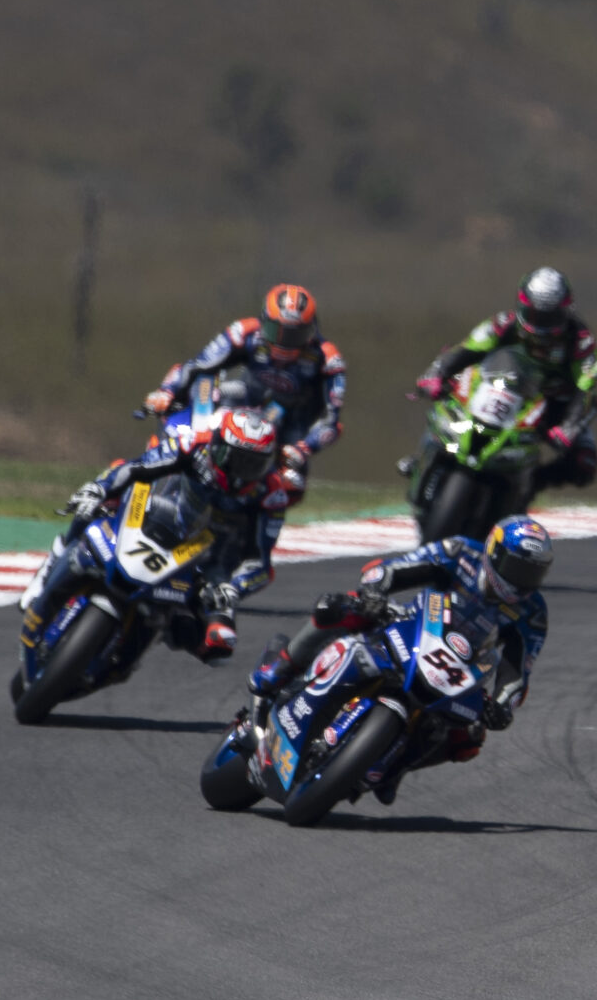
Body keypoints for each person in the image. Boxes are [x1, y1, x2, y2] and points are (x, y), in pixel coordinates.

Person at [245, 516, 554, 803]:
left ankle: (394, 767)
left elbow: (518, 672)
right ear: (494, 552)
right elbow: (397, 567)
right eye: (517, 568)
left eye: (533, 573)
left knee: (470, 739)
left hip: (456, 673)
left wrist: (501, 705)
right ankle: (280, 667)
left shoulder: (532, 613)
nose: (523, 581)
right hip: (408, 628)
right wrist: (375, 590)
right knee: (339, 606)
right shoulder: (460, 552)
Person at [33, 406, 297, 665]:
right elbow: (138, 466)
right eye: (236, 459)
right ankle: (59, 555)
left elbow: (260, 563)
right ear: (218, 446)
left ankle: (146, 637)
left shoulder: (272, 493)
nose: (242, 473)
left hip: (212, 562)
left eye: (254, 465)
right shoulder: (194, 444)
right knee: (99, 496)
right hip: (166, 515)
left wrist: (234, 587)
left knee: (218, 643)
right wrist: (100, 489)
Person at [414, 268, 597, 498]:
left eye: (550, 317)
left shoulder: (581, 341)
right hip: (500, 388)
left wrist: (569, 426)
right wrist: (436, 373)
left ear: (566, 311)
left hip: (554, 405)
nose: (541, 325)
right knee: (444, 402)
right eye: (534, 315)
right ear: (522, 305)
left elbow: (586, 389)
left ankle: (527, 487)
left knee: (585, 463)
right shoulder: (503, 323)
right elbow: (467, 349)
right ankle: (427, 456)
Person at [144, 284, 347, 484]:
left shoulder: (328, 359)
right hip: (243, 399)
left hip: (288, 424)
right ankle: (174, 445)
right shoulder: (245, 332)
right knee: (202, 386)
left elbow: (332, 423)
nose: (284, 343)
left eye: (296, 335)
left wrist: (302, 449)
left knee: (292, 483)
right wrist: (167, 392)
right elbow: (198, 365)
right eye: (275, 331)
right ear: (264, 321)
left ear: (311, 331)